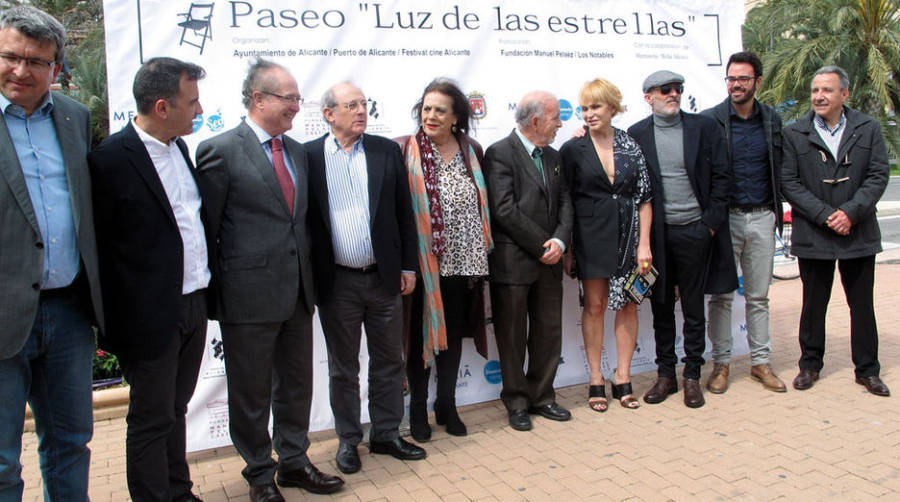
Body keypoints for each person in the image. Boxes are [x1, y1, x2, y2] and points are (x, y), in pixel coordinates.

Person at [197, 59, 344, 502]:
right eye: (290, 99)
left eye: (300, 99)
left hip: (298, 293)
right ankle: (260, 474)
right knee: (250, 393)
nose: (298, 108)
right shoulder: (219, 149)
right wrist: (215, 295)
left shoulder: (297, 151)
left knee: (296, 386)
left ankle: (295, 462)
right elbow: (208, 229)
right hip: (247, 299)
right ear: (258, 99)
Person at [88, 57, 209, 502]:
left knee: (175, 410)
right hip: (150, 317)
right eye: (192, 101)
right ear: (162, 106)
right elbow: (102, 251)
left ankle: (179, 492)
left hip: (194, 303)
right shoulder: (109, 161)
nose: (200, 109)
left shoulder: (179, 147)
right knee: (150, 418)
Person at [0, 6, 104, 501]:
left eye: (36, 61)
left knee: (71, 444)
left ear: (56, 67)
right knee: (1, 461)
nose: (21, 70)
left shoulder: (73, 118)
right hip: (2, 316)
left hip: (67, 312)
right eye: (10, 56)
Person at [306, 81, 425, 475]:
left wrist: (408, 266)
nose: (361, 110)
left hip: (384, 278)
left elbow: (403, 215)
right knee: (343, 366)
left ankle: (387, 434)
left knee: (389, 360)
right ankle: (347, 440)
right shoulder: (308, 157)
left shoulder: (384, 150)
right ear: (329, 114)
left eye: (363, 104)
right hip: (336, 282)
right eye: (351, 105)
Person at [627, 70, 735, 409]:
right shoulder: (636, 134)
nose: (673, 94)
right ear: (649, 97)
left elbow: (722, 176)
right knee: (660, 306)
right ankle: (666, 376)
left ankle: (691, 375)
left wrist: (709, 226)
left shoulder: (703, 127)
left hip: (696, 231)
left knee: (692, 307)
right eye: (665, 90)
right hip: (657, 235)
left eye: (678, 89)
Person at [781, 65, 890, 397]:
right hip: (814, 233)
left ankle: (868, 370)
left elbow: (877, 175)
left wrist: (850, 213)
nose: (819, 96)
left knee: (862, 305)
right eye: (815, 90)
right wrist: (828, 215)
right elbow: (789, 183)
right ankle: (810, 365)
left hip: (857, 232)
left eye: (826, 90)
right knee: (813, 304)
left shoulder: (868, 128)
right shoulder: (795, 132)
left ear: (845, 93)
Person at [395, 78, 493, 441]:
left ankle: (446, 404)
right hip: (422, 265)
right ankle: (417, 407)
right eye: (426, 108)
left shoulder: (473, 150)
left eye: (439, 110)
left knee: (450, 336)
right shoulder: (404, 149)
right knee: (421, 336)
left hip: (464, 261)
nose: (431, 116)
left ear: (456, 117)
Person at [560, 78, 652, 412]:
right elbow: (565, 200)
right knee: (595, 306)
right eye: (584, 108)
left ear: (612, 107)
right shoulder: (573, 149)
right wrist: (569, 248)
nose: (588, 114)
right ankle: (596, 377)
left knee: (629, 304)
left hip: (630, 238)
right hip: (590, 237)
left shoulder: (631, 145)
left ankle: (623, 376)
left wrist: (645, 245)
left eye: (596, 106)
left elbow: (644, 198)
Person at [484, 91, 574, 431]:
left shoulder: (553, 156)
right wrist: (542, 244)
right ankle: (517, 401)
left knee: (548, 333)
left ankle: (542, 397)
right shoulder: (500, 153)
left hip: (550, 261)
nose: (561, 123)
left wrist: (561, 241)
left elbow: (566, 201)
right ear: (535, 121)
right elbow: (503, 209)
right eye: (555, 117)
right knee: (511, 335)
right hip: (514, 262)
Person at [703, 52, 787, 394]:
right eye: (731, 78)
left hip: (764, 216)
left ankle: (760, 363)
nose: (736, 85)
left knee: (758, 297)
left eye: (743, 79)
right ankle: (721, 364)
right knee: (722, 296)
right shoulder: (711, 121)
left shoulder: (772, 120)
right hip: (726, 221)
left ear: (758, 82)